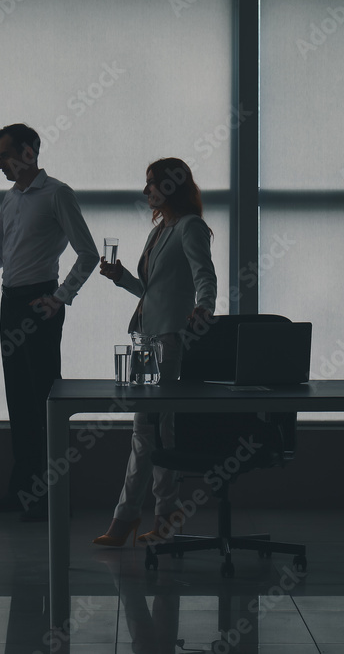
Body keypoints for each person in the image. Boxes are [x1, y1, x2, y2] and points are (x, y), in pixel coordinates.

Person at [0, 123, 99, 521]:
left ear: (30, 151)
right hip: (11, 303)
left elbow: (88, 254)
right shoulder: (10, 199)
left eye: (5, 154)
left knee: (41, 404)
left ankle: (48, 497)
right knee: (19, 401)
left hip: (40, 303)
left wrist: (59, 297)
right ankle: (22, 494)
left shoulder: (58, 195)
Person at [93, 157, 217, 546]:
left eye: (151, 184)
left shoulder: (189, 227)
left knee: (149, 432)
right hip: (147, 340)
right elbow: (152, 292)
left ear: (170, 186)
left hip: (170, 340)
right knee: (154, 431)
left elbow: (204, 275)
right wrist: (122, 278)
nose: (145, 191)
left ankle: (131, 518)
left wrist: (205, 308)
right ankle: (162, 513)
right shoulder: (161, 230)